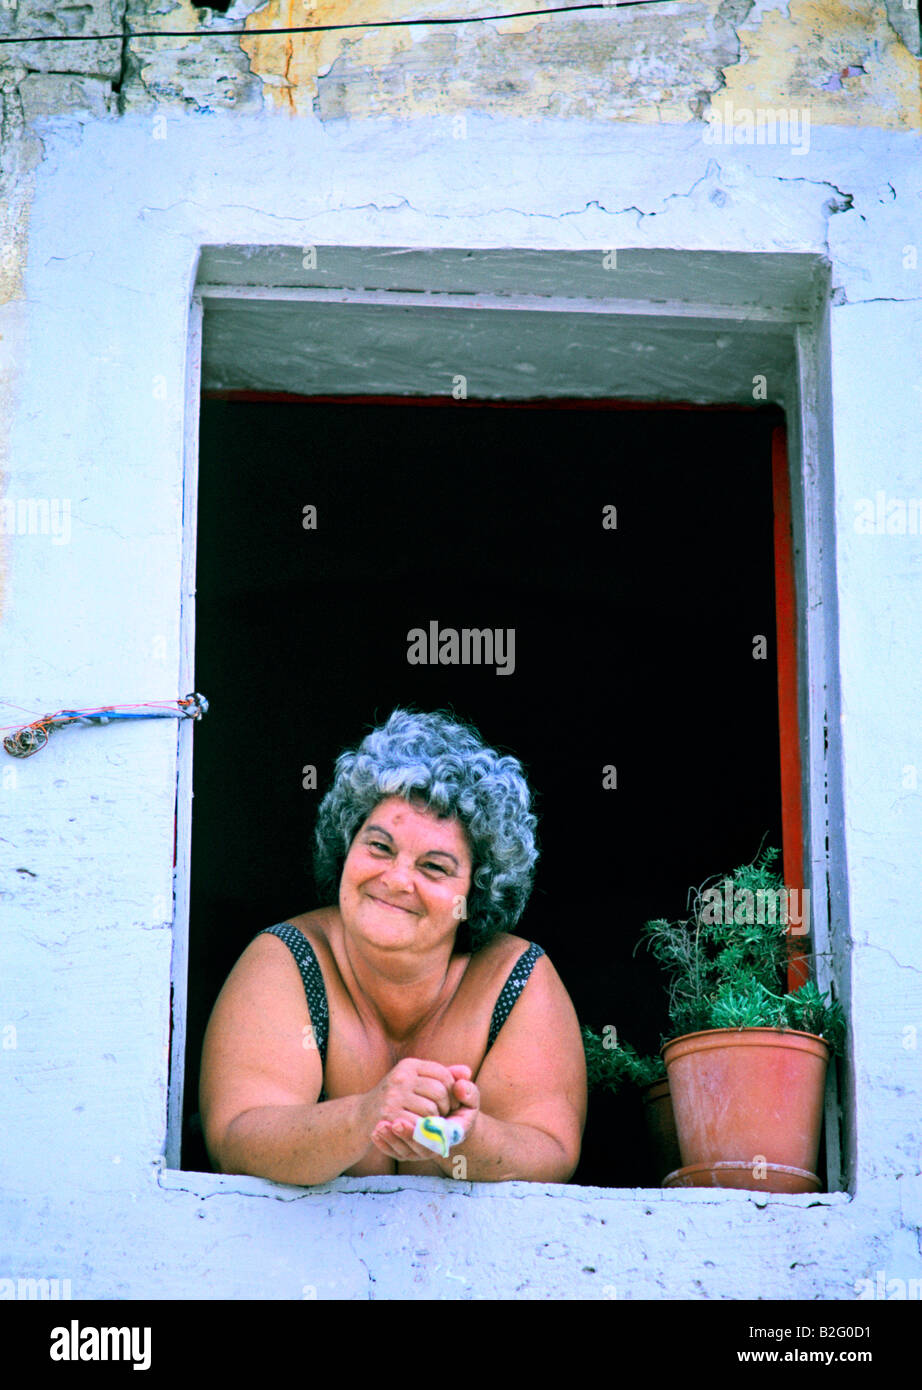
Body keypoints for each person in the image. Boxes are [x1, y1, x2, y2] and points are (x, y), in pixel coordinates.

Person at [199, 708, 586, 1185]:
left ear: (477, 892)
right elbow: (236, 1141)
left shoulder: (519, 977)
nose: (397, 879)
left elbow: (552, 1151)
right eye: (380, 847)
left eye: (434, 867)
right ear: (347, 845)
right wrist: (364, 1116)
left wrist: (463, 1136)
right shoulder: (286, 956)